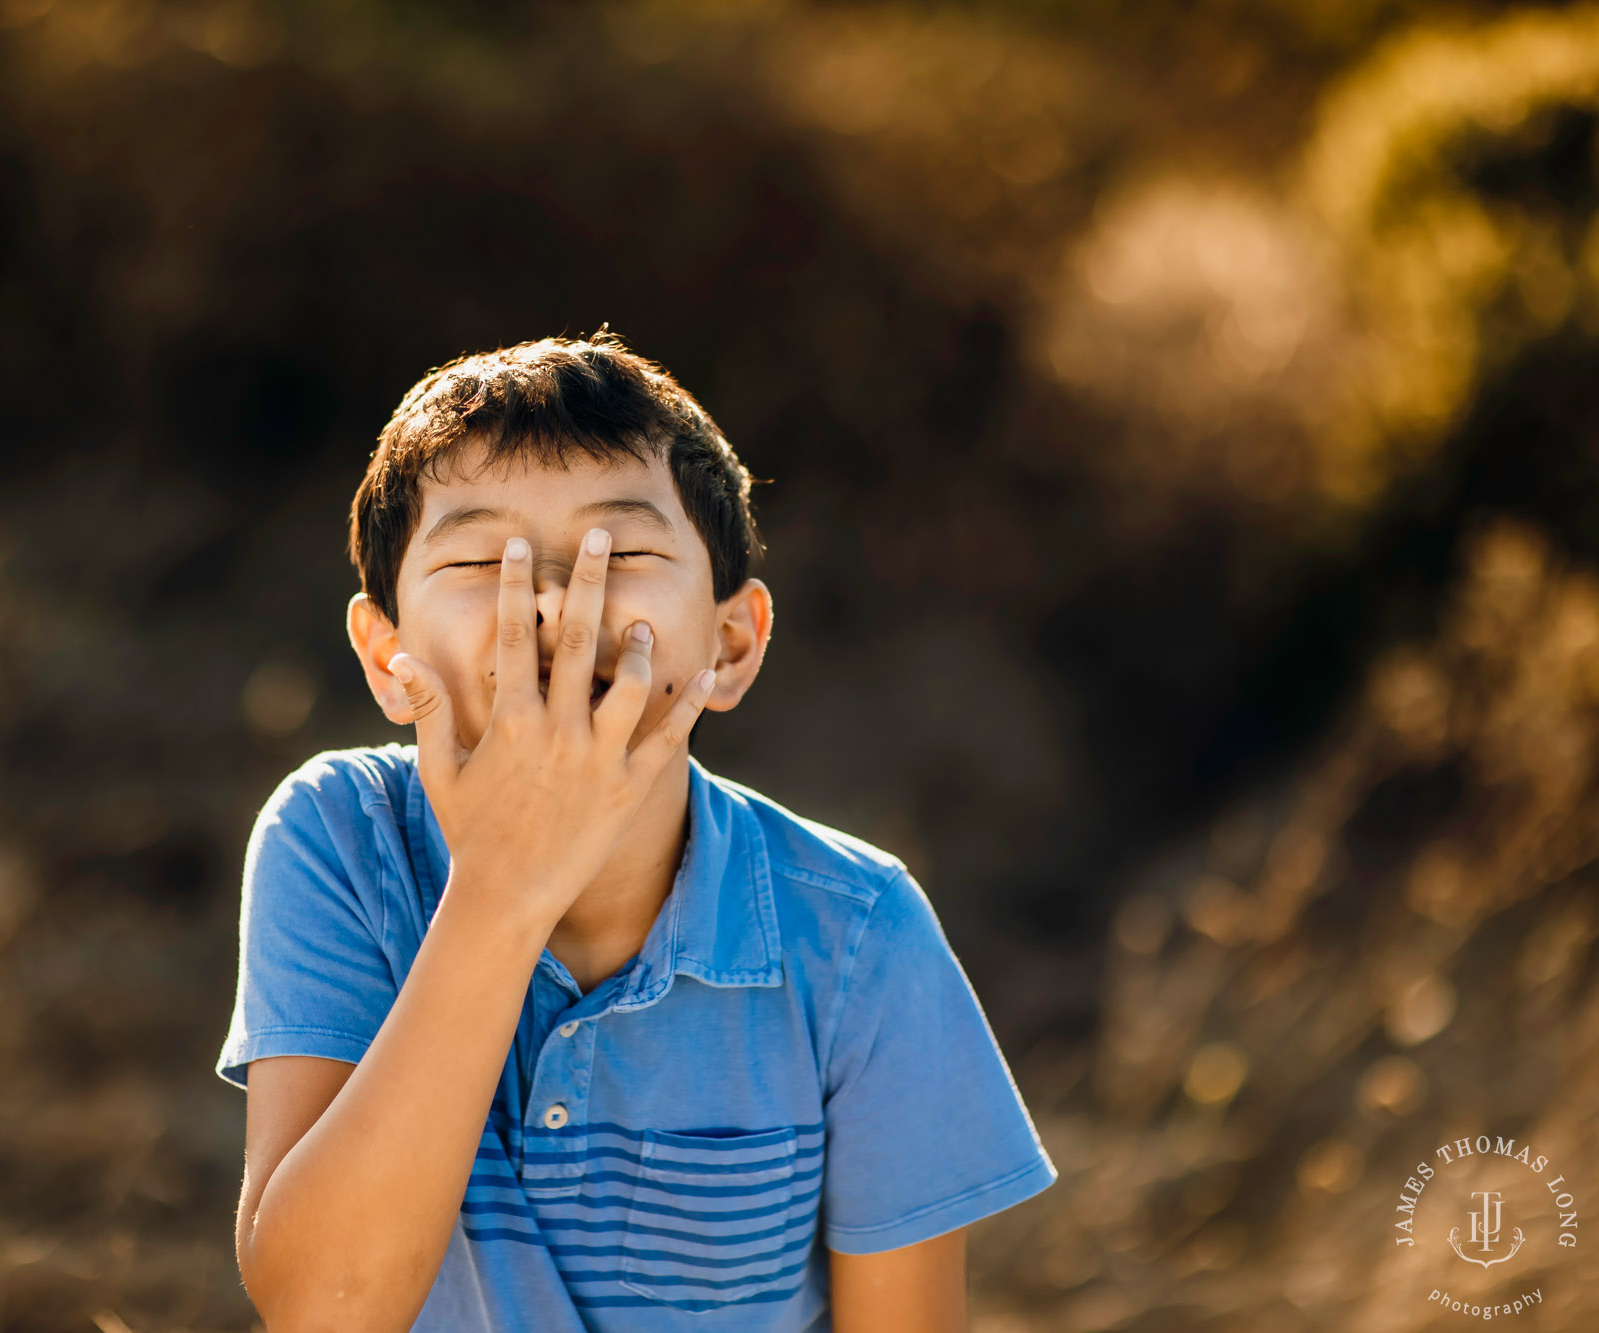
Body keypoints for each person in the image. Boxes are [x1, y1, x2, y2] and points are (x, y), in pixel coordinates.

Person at [217, 330, 1057, 1331]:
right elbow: (322, 1307)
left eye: (621, 550)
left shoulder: (856, 929)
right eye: (481, 556)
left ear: (732, 641)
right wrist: (504, 884)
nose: (551, 597)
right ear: (384, 652)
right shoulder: (337, 837)